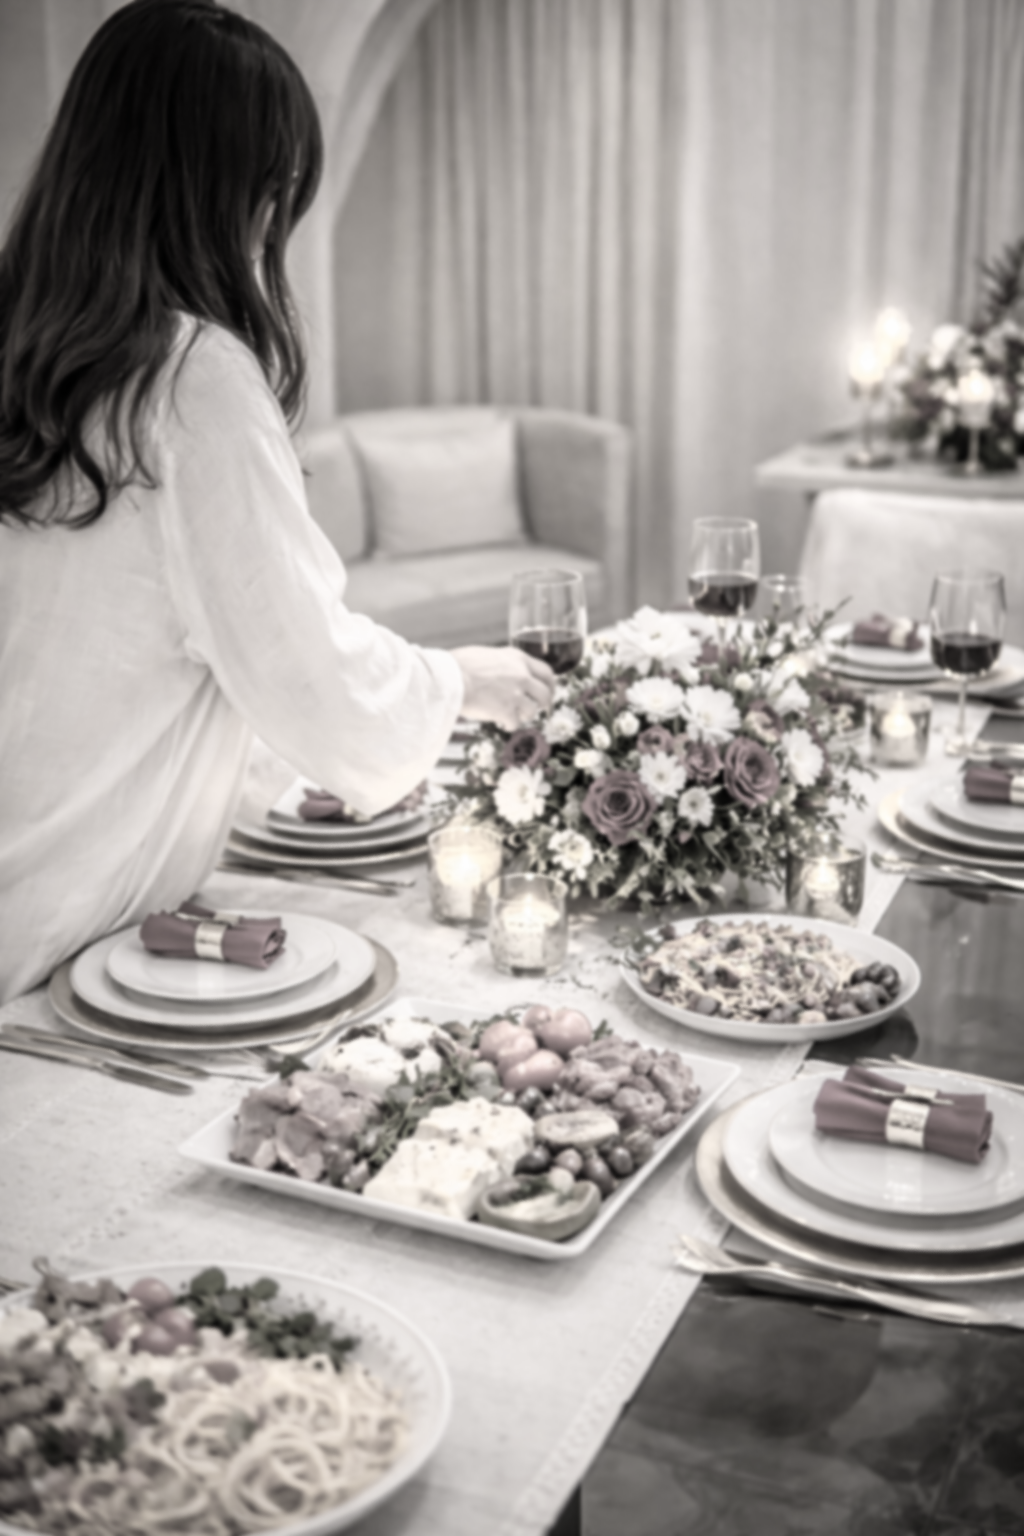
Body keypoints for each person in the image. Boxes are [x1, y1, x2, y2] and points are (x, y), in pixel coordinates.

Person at [0, 0, 554, 1004]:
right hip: (60, 907)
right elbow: (302, 665)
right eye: (275, 191)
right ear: (223, 189)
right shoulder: (187, 378)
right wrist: (457, 678)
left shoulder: (27, 340)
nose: (271, 226)